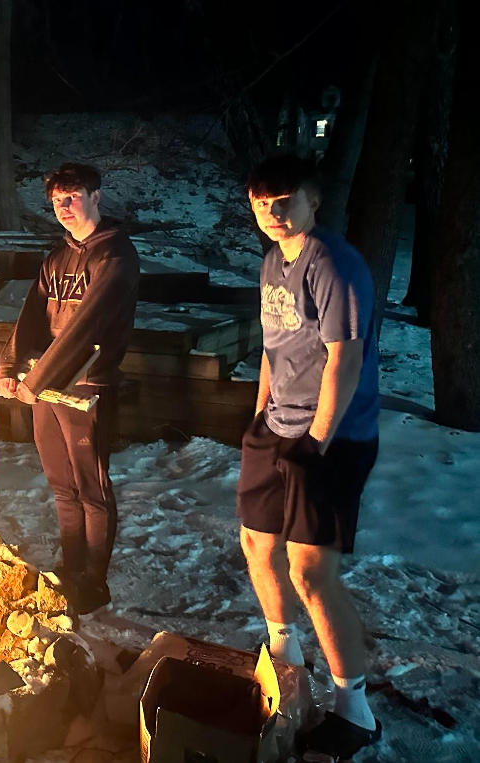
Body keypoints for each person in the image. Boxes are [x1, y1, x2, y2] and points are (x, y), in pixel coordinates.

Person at [237, 154, 381, 759]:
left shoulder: (333, 264)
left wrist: (316, 442)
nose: (273, 213)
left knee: (311, 572)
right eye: (261, 203)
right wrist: (259, 414)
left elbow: (345, 360)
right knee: (256, 542)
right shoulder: (274, 261)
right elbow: (273, 347)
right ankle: (285, 655)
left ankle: (355, 711)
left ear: (311, 201)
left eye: (284, 201)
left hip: (333, 436)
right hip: (277, 425)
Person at [0, 163, 139, 614]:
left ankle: (94, 582)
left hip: (86, 386)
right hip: (47, 387)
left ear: (96, 197)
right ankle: (71, 567)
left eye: (72, 197)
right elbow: (32, 314)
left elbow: (86, 326)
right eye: (57, 200)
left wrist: (37, 381)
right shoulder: (57, 257)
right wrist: (10, 365)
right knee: (61, 485)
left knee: (91, 487)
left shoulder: (114, 255)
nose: (64, 207)